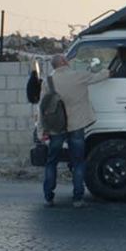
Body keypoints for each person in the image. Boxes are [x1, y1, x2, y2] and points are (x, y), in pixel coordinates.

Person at [41, 54, 110, 207]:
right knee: (78, 161)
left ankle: (48, 197)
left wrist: (42, 130)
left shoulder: (48, 81)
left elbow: (43, 107)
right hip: (77, 124)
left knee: (51, 162)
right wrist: (107, 70)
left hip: (56, 127)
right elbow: (99, 76)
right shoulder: (78, 76)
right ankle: (77, 198)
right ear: (64, 62)